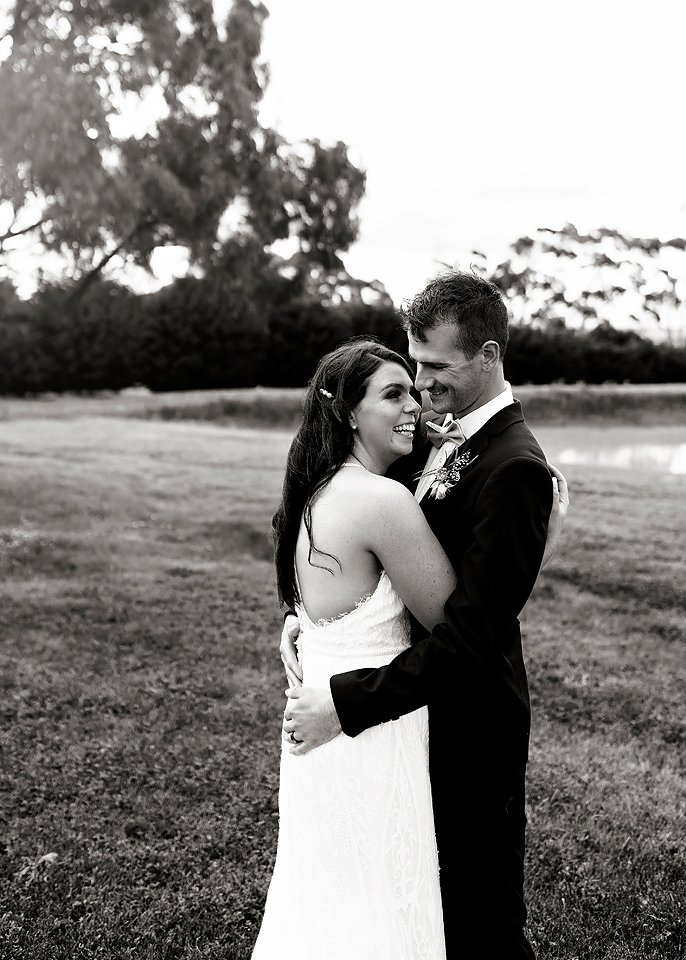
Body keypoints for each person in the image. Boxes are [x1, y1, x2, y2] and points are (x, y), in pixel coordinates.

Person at [279, 270, 569, 959]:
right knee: (416, 906)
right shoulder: (435, 445)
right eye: (415, 364)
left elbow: (472, 638)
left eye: (437, 365)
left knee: (481, 920)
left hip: (472, 726)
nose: (422, 380)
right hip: (413, 724)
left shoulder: (515, 468)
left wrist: (344, 703)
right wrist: (311, 615)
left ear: (488, 357)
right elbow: (355, 536)